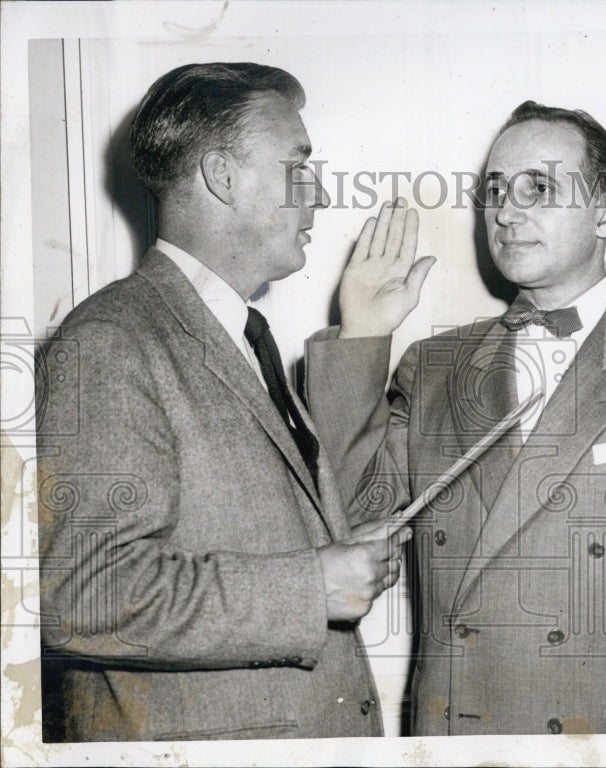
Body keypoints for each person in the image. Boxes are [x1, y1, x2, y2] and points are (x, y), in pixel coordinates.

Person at [306, 100, 606, 734]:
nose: (507, 211)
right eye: (497, 191)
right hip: (457, 738)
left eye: (540, 187)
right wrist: (362, 335)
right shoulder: (434, 365)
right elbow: (352, 515)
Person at [36, 62, 415, 741]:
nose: (319, 193)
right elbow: (82, 592)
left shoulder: (242, 335)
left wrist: (329, 553)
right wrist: (310, 587)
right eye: (297, 166)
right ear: (223, 176)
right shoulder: (110, 341)